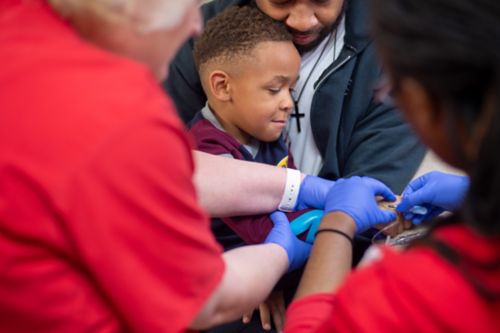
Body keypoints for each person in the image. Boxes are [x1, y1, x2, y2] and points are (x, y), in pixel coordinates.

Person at [0, 0, 318, 332]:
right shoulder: (125, 116)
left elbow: (165, 174)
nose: (196, 26)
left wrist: (295, 187)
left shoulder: (18, 24)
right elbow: (204, 297)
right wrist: (282, 252)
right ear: (130, 10)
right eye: (189, 9)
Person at [280, 0, 500, 331]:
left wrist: (336, 225)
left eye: (392, 90)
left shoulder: (411, 294)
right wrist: (476, 195)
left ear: (425, 102)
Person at [165, 0, 426, 195]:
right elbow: (166, 171)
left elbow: (367, 197)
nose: (302, 21)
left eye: (321, 0)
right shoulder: (203, 37)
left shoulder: (395, 52)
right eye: (281, 0)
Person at [189, 5, 302, 249]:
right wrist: (337, 219)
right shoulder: (204, 149)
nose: (288, 103)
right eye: (274, 89)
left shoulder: (268, 135)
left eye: (290, 90)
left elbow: (296, 197)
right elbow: (260, 233)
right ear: (222, 87)